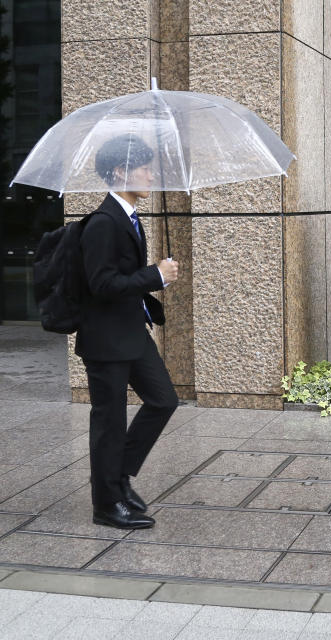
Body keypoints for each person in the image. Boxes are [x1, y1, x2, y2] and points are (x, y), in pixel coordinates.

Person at [77, 134, 180, 529]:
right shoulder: (103, 223)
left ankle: (118, 477)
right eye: (145, 167)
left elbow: (121, 278)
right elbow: (101, 284)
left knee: (163, 400)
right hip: (106, 340)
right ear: (120, 171)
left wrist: (151, 276)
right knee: (110, 421)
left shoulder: (129, 218)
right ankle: (106, 504)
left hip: (131, 333)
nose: (152, 175)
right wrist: (154, 275)